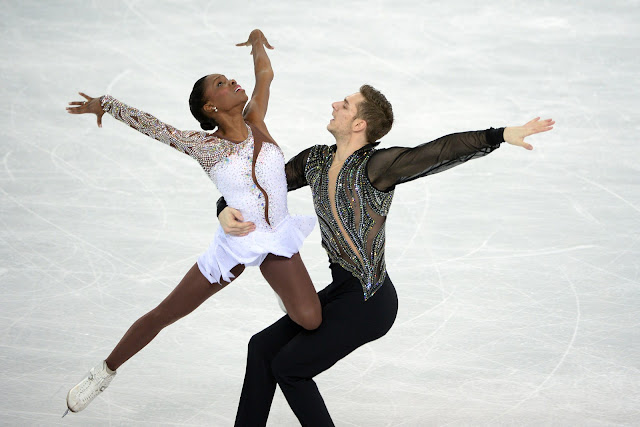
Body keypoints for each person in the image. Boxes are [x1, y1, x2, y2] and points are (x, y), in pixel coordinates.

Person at [217, 85, 554, 426]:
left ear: (359, 124)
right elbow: (260, 188)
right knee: (262, 348)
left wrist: (499, 135)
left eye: (345, 105)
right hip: (342, 292)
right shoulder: (315, 160)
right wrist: (223, 208)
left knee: (290, 368)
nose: (335, 104)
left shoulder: (377, 167)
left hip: (370, 302)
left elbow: (439, 151)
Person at [62, 29, 322, 415]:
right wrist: (107, 104)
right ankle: (104, 371)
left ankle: (284, 293)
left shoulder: (256, 120)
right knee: (167, 312)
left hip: (277, 236)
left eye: (228, 78)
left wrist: (255, 41)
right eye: (221, 84)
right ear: (210, 107)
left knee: (310, 320)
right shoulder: (205, 147)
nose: (232, 82)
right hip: (236, 242)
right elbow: (153, 126)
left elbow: (264, 75)